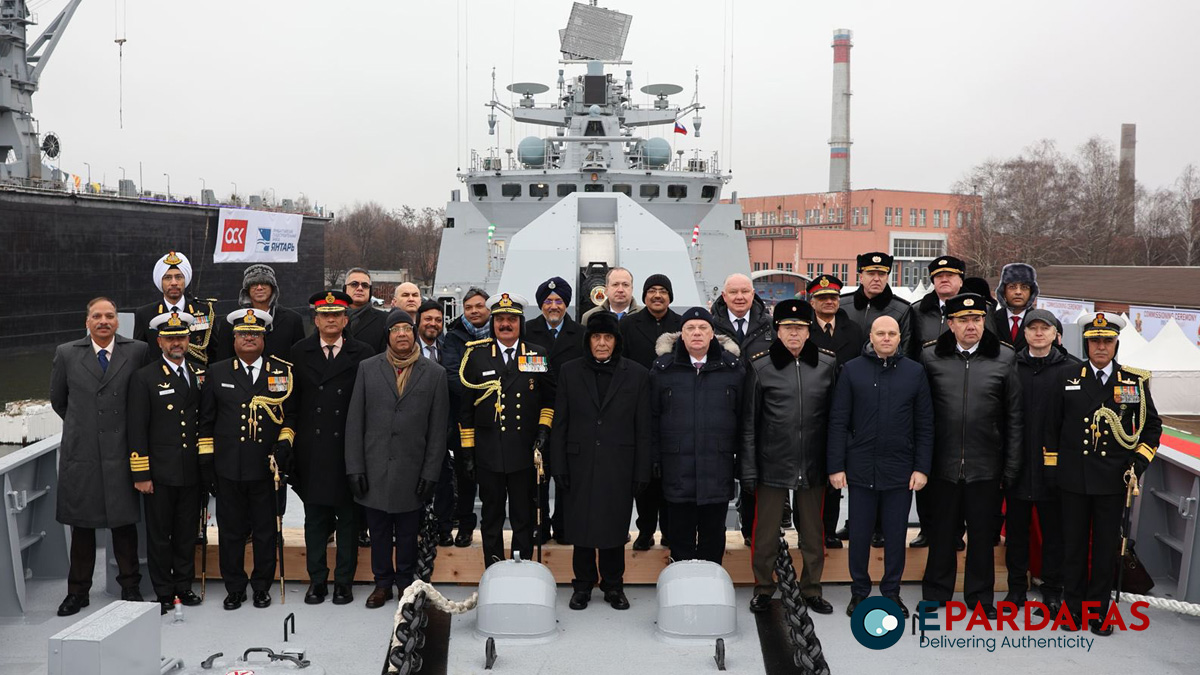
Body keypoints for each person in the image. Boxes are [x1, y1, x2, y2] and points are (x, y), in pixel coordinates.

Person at [1045, 312, 1161, 635]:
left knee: (1106, 549)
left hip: (1114, 480)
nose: (1100, 347)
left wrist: (1137, 464)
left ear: (1116, 344)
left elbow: (1152, 428)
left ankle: (1098, 612)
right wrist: (1053, 470)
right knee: (1075, 547)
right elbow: (1051, 427)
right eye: (1095, 341)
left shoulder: (1133, 382)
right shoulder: (1067, 378)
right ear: (1086, 343)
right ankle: (1072, 610)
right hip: (1074, 478)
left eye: (1107, 341)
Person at [919, 293, 1021, 619]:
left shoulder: (1005, 357)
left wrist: (1011, 465)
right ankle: (936, 593)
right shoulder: (930, 356)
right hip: (942, 464)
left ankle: (980, 598)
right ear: (950, 323)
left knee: (981, 535)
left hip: (986, 465)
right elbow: (920, 414)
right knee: (942, 533)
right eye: (962, 320)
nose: (970, 326)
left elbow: (1014, 418)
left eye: (976, 319)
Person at [827, 316, 934, 619]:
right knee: (859, 535)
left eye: (892, 333)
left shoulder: (915, 373)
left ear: (900, 338)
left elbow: (925, 425)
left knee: (895, 534)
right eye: (880, 333)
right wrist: (836, 466)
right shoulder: (851, 371)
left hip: (901, 470)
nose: (886, 338)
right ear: (871, 337)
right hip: (860, 469)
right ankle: (859, 592)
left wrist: (921, 468)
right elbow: (838, 422)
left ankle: (892, 592)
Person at [51, 298, 149, 616]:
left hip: (122, 452)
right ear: (87, 321)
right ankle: (77, 592)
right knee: (83, 526)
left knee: (123, 526)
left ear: (117, 321)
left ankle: (130, 587)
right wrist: (86, 426)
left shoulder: (136, 351)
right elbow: (59, 401)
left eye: (109, 316)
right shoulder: (67, 354)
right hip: (84, 454)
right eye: (97, 316)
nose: (103, 321)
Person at [345, 309, 448, 608]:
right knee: (377, 531)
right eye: (395, 329)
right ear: (387, 335)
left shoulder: (435, 374)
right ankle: (382, 584)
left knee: (407, 532)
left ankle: (406, 582)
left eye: (407, 328)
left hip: (412, 470)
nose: (401, 334)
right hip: (374, 468)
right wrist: (355, 468)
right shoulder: (367, 368)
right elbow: (355, 423)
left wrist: (430, 473)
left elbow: (437, 430)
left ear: (414, 332)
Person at [741, 299, 838, 615]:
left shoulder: (827, 365)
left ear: (809, 332)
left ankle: (811, 588)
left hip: (813, 462)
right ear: (777, 331)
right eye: (787, 328)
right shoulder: (760, 366)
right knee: (765, 533)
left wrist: (834, 464)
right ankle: (763, 588)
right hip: (773, 462)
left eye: (799, 328)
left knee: (813, 532)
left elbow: (837, 419)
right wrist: (749, 470)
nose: (794, 334)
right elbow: (750, 424)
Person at [550, 313, 652, 611]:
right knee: (580, 527)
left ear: (616, 341)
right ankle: (582, 585)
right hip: (578, 462)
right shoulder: (569, 372)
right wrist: (559, 466)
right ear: (588, 340)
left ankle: (613, 585)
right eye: (597, 337)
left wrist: (641, 469)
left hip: (619, 464)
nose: (603, 343)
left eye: (608, 337)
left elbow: (643, 427)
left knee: (614, 526)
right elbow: (561, 423)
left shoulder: (637, 374)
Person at [198, 308, 297, 610]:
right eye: (243, 334)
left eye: (255, 334)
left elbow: (289, 417)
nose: (249, 338)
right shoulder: (218, 371)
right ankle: (235, 587)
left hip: (267, 468)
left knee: (267, 531)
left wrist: (284, 444)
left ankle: (262, 586)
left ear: (264, 337)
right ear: (235, 337)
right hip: (228, 468)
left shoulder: (281, 372)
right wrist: (207, 463)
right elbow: (206, 422)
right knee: (231, 532)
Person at [457, 293, 555, 566]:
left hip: (524, 452)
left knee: (523, 515)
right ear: (493, 322)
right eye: (500, 319)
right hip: (489, 453)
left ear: (520, 322)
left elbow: (549, 399)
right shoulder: (475, 356)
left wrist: (543, 430)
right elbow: (466, 409)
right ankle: (494, 566)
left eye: (511, 319)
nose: (505, 324)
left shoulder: (536, 354)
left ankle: (523, 567)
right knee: (491, 516)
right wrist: (468, 451)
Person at [290, 291, 375, 606]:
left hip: (348, 449)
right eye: (324, 315)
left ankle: (343, 582)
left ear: (345, 319)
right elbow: (293, 403)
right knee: (314, 520)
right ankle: (317, 581)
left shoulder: (363, 353)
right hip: (312, 448)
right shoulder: (299, 352)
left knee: (348, 521)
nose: (330, 320)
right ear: (316, 319)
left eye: (336, 315)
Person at [126, 311, 207, 614]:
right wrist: (141, 473)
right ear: (159, 341)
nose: (177, 342)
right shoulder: (144, 378)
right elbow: (137, 428)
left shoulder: (199, 373)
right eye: (170, 338)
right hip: (159, 472)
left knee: (187, 532)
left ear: (189, 340)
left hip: (190, 470)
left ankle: (183, 586)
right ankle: (162, 591)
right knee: (160, 536)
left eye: (182, 337)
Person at [651, 307, 744, 564]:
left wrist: (741, 460)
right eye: (690, 328)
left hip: (718, 466)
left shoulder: (733, 370)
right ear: (681, 334)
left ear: (713, 334)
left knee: (713, 536)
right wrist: (655, 458)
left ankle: (711, 585)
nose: (696, 333)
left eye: (703, 328)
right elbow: (652, 418)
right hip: (677, 467)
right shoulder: (663, 371)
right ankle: (682, 585)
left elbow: (743, 418)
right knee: (679, 536)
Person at [1005, 308, 1078, 616]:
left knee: (1054, 535)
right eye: (1032, 328)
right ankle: (1016, 591)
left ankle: (1052, 591)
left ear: (1055, 334)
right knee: (1017, 534)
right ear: (1024, 333)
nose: (1038, 333)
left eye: (1044, 329)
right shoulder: (1010, 366)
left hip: (1055, 469)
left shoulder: (1072, 369)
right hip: (1018, 465)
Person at [620, 273, 682, 551]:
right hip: (639, 406)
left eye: (663, 291)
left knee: (670, 474)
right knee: (644, 473)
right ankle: (645, 530)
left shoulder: (682, 325)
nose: (657, 295)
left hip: (674, 409)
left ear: (670, 296)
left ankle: (670, 531)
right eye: (652, 291)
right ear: (644, 296)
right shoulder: (629, 324)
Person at [710, 273, 773, 545]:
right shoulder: (710, 327)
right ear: (724, 296)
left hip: (760, 412)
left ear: (752, 294)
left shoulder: (770, 328)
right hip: (720, 410)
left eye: (744, 291)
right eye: (733, 292)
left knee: (753, 472)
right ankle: (714, 534)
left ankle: (752, 532)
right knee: (719, 470)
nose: (739, 297)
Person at [805, 273, 864, 549]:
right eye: (822, 298)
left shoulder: (852, 331)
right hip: (813, 409)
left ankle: (830, 529)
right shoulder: (804, 330)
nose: (829, 302)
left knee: (839, 475)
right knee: (815, 476)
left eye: (833, 298)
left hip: (847, 411)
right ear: (812, 301)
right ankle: (812, 531)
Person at [524, 277, 583, 544]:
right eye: (548, 301)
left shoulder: (581, 334)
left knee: (566, 472)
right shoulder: (527, 332)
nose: (553, 306)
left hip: (572, 415)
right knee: (539, 472)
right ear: (541, 305)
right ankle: (540, 525)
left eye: (558, 301)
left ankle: (565, 525)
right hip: (538, 413)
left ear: (566, 304)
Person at [442, 288, 491, 546]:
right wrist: (484, 393)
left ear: (488, 308)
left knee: (494, 478)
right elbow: (452, 374)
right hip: (465, 419)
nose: (474, 311)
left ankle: (491, 529)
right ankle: (465, 526)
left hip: (497, 419)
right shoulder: (453, 338)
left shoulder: (501, 332)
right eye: (469, 307)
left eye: (479, 306)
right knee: (465, 474)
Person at [415, 299, 457, 547]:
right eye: (428, 319)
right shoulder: (406, 348)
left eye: (438, 320)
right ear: (418, 321)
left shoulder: (447, 348)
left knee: (444, 477)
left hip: (442, 426)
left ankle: (443, 527)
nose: (433, 324)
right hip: (413, 427)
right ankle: (417, 525)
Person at [133, 251, 219, 367]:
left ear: (185, 280)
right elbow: (140, 355)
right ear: (160, 281)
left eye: (179, 277)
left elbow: (215, 352)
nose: (174, 283)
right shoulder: (145, 314)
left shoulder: (204, 311)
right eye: (168, 278)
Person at [213, 264, 306, 362]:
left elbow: (300, 359)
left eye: (264, 283)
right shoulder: (230, 322)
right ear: (247, 290)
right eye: (254, 284)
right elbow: (222, 361)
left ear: (273, 288)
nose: (259, 288)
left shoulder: (292, 320)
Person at [839, 252, 912, 355]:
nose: (876, 279)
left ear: (887, 278)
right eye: (871, 273)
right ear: (861, 277)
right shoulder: (843, 305)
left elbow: (905, 350)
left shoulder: (901, 310)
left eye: (881, 274)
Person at [993, 263, 1039, 353]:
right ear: (1003, 291)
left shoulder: (1039, 321)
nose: (1018, 292)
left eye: (1024, 287)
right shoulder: (992, 320)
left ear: (1031, 292)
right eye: (1012, 287)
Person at [344, 267, 387, 352]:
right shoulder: (333, 317)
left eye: (365, 285)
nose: (360, 288)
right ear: (345, 289)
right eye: (354, 284)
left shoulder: (384, 320)